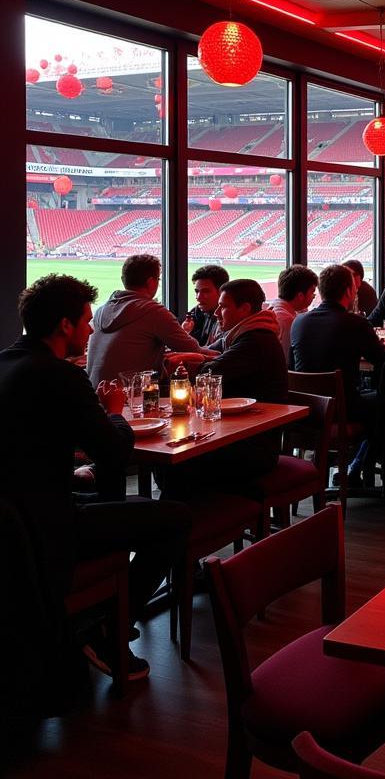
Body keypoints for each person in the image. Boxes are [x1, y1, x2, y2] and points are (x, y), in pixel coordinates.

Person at [0, 274, 190, 683]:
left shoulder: (6, 363)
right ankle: (108, 628)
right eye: (85, 321)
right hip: (47, 526)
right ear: (64, 326)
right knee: (175, 517)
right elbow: (116, 452)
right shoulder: (62, 377)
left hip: (16, 519)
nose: (90, 331)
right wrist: (115, 410)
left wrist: (73, 472)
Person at [162, 280, 288, 499]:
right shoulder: (241, 333)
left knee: (177, 464)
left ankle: (202, 523)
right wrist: (198, 356)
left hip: (253, 448)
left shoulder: (256, 340)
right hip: (232, 435)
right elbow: (210, 354)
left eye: (224, 307)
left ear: (245, 309)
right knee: (173, 463)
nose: (217, 313)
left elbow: (208, 373)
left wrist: (193, 360)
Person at [291, 263, 385, 429]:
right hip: (342, 410)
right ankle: (367, 454)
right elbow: (384, 361)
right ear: (349, 291)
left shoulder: (299, 321)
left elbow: (292, 365)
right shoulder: (356, 323)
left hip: (306, 409)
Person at [86, 254, 200, 386]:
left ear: (123, 280)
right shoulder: (154, 312)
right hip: (130, 398)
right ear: (151, 282)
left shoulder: (101, 310)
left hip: (96, 393)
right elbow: (192, 349)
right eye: (158, 279)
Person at [268, 264, 318, 363]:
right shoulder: (287, 321)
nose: (313, 296)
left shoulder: (275, 307)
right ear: (300, 296)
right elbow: (288, 361)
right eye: (312, 292)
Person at [183, 264, 228, 345]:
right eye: (197, 291)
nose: (198, 297)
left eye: (206, 291)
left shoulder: (229, 319)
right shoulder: (197, 312)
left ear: (222, 292)